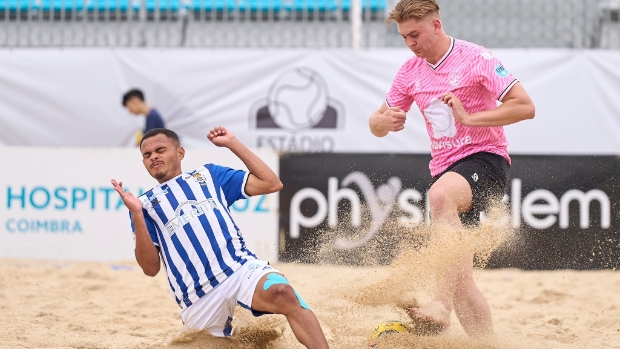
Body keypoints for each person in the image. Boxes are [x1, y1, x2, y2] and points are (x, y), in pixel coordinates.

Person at [368, 0, 535, 337]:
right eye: (404, 37)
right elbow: (375, 123)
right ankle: (486, 344)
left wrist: (470, 119)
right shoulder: (409, 71)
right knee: (461, 278)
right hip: (447, 169)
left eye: (415, 34)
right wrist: (381, 122)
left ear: (436, 25)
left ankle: (440, 303)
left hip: (487, 160)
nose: (411, 43)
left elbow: (525, 106)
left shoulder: (476, 58)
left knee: (440, 196)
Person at [111, 127, 329, 348]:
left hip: (238, 269)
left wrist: (232, 143)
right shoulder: (143, 205)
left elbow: (272, 183)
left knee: (283, 293)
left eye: (160, 150)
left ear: (180, 153)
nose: (154, 157)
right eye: (147, 155)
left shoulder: (208, 175)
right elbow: (150, 268)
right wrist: (137, 213)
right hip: (198, 297)